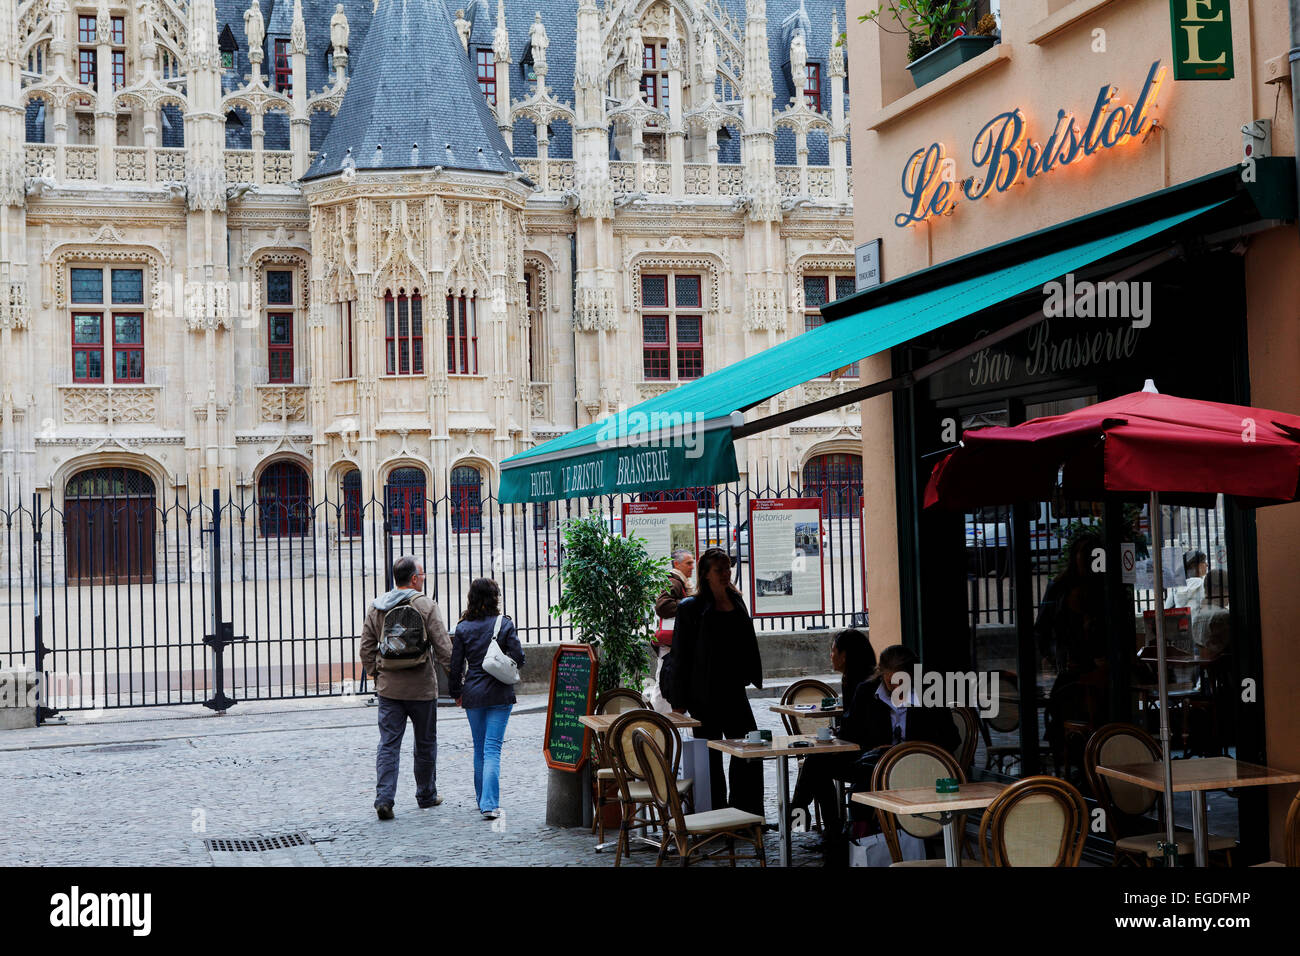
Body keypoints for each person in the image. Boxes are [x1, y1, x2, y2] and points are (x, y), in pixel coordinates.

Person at [664, 547, 764, 815]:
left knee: (749, 748)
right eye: (719, 569)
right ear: (705, 574)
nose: (725, 573)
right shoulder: (691, 608)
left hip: (733, 689)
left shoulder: (737, 600)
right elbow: (681, 656)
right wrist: (678, 701)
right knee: (710, 756)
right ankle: (717, 813)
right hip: (703, 693)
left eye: (727, 568)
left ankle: (746, 811)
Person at [359, 555, 452, 820]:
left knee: (388, 744)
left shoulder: (377, 606)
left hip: (389, 689)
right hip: (422, 688)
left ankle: (384, 799)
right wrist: (457, 681)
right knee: (425, 743)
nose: (422, 580)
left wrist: (376, 675)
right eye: (421, 576)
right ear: (414, 579)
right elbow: (444, 649)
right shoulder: (426, 605)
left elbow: (365, 648)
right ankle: (426, 794)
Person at [789, 628, 876, 857]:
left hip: (871, 760)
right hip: (864, 752)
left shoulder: (862, 684)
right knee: (817, 764)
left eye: (833, 650)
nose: (831, 655)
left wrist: (838, 732)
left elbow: (854, 729)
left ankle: (807, 816)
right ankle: (829, 832)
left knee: (817, 765)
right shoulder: (858, 678)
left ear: (845, 655)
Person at [449, 578, 526, 821]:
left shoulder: (462, 628)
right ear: (495, 598)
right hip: (500, 693)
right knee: (493, 749)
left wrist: (456, 693)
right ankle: (489, 804)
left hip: (473, 693)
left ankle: (483, 799)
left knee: (479, 748)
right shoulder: (504, 625)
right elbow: (519, 657)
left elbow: (455, 665)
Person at [1034, 533, 1108, 766]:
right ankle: (1072, 763)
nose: (1085, 560)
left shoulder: (1103, 590)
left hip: (1097, 672)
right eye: (1083, 555)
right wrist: (1055, 658)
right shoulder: (1060, 588)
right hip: (1072, 670)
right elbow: (1042, 629)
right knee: (1064, 713)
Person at [645, 549, 694, 713]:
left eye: (693, 562)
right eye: (688, 563)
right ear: (677, 564)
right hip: (670, 643)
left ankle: (662, 722)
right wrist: (688, 603)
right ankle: (659, 721)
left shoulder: (680, 581)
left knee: (665, 682)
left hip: (671, 643)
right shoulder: (675, 582)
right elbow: (663, 606)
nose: (692, 566)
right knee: (663, 683)